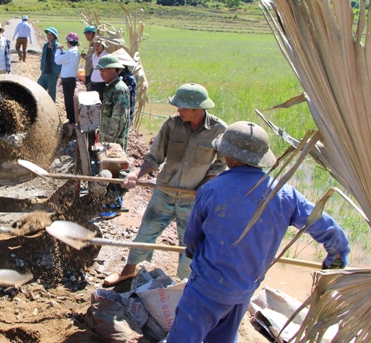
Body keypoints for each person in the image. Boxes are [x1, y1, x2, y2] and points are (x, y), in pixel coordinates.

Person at [166, 121, 350, 343]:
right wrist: (336, 256)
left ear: (228, 155)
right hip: (245, 289)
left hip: (206, 287)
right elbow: (324, 224)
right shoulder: (285, 193)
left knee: (184, 337)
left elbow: (192, 239)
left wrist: (196, 256)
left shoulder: (211, 190)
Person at [104, 83, 227, 285]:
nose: (178, 110)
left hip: (193, 198)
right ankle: (128, 271)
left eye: (183, 107)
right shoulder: (172, 125)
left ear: (198, 108)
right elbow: (154, 158)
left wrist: (206, 184)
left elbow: (221, 164)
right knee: (146, 231)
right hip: (165, 192)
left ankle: (186, 283)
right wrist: (136, 173)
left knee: (189, 243)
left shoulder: (218, 131)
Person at [96, 56, 130, 151]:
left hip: (114, 146)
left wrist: (107, 143)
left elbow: (118, 120)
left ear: (113, 69)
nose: (101, 74)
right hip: (106, 142)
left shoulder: (119, 89)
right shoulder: (110, 88)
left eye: (103, 71)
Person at [54, 32, 81, 124]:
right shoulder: (73, 51)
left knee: (68, 100)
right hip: (69, 79)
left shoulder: (71, 52)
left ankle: (72, 120)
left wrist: (58, 50)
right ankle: (71, 119)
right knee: (68, 99)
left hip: (69, 80)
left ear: (68, 42)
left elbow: (57, 60)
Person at [37, 27, 62, 102]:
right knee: (38, 89)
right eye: (48, 35)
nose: (49, 36)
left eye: (51, 35)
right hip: (44, 72)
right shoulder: (45, 46)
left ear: (54, 36)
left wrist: (59, 71)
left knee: (51, 93)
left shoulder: (58, 47)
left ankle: (52, 109)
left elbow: (63, 58)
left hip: (52, 73)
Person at [89, 37, 109, 101]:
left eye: (98, 45)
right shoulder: (94, 55)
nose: (96, 47)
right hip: (93, 82)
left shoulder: (106, 56)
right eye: (95, 45)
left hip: (101, 83)